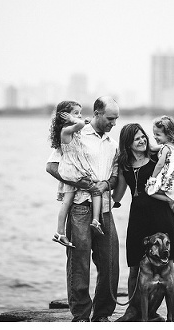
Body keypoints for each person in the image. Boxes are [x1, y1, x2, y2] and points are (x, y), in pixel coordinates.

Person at [46, 96, 120, 322]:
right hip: (79, 207)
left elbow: (115, 176)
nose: (113, 123)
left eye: (116, 119)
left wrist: (106, 184)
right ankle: (80, 317)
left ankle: (102, 315)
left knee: (110, 263)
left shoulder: (113, 144)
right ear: (97, 113)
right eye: (110, 118)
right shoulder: (76, 134)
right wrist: (79, 182)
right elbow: (51, 166)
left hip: (104, 209)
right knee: (79, 263)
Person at [112, 123, 174, 321]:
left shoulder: (156, 157)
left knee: (167, 266)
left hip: (161, 217)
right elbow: (118, 195)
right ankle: (133, 311)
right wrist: (106, 186)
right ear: (128, 144)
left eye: (143, 136)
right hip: (138, 220)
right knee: (134, 265)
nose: (143, 140)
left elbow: (171, 179)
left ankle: (171, 316)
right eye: (137, 139)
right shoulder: (124, 165)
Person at [49, 101, 104, 248]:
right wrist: (76, 121)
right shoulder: (66, 130)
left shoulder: (70, 130)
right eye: (76, 113)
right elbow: (79, 125)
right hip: (73, 170)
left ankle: (59, 233)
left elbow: (81, 124)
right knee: (96, 189)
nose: (79, 116)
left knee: (66, 203)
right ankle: (96, 220)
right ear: (65, 116)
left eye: (80, 113)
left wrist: (82, 120)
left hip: (69, 169)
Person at [144, 115, 174, 220]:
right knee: (171, 195)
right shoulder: (171, 147)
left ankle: (168, 200)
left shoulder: (165, 148)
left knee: (149, 191)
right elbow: (152, 148)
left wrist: (153, 177)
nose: (155, 137)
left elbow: (160, 164)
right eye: (154, 134)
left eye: (158, 134)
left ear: (168, 135)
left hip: (167, 179)